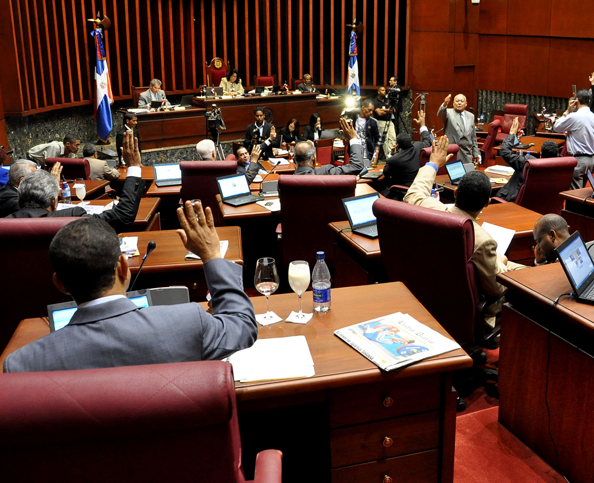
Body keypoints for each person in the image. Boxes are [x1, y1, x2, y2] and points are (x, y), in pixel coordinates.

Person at [3, 200, 258, 372]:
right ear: (124, 267)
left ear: (60, 284)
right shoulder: (188, 322)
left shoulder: (22, 365)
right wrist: (212, 255)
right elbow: (242, 326)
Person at [404, 136, 523, 300]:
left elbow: (415, 192)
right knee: (526, 272)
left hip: (427, 290)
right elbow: (496, 289)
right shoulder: (483, 241)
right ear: (487, 203)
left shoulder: (428, 209)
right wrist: (500, 263)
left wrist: (433, 163)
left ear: (455, 193)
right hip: (468, 302)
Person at [8, 132, 144, 233]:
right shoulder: (69, 218)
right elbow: (122, 216)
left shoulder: (5, 223)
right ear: (54, 202)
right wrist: (134, 166)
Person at [496, 118, 560, 202]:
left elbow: (505, 152)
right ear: (557, 156)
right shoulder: (561, 171)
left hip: (511, 203)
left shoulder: (529, 163)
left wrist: (512, 134)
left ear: (541, 154)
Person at [374, 108, 432, 198]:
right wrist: (422, 125)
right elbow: (427, 140)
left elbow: (386, 172)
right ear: (411, 142)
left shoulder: (394, 159)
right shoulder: (419, 147)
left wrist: (391, 154)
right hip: (420, 188)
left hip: (402, 192)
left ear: (398, 145)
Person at [553, 90, 594, 189]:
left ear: (576, 101)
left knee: (574, 194)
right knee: (582, 192)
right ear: (589, 101)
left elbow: (556, 127)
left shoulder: (574, 116)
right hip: (590, 161)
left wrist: (567, 111)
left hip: (578, 160)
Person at [293, 118, 364, 175]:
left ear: (294, 160)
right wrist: (353, 138)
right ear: (314, 159)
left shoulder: (287, 181)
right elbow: (356, 166)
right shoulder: (325, 173)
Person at [437, 93, 479, 165]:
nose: (459, 103)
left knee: (468, 171)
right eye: (457, 101)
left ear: (466, 104)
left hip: (467, 154)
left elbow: (473, 137)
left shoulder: (471, 116)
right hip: (453, 153)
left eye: (462, 101)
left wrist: (475, 153)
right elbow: (440, 114)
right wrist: (445, 104)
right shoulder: (448, 112)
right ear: (453, 103)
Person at [353, 100, 382, 165]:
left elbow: (378, 139)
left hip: (367, 156)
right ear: (363, 107)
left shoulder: (373, 122)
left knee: (367, 170)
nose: (371, 112)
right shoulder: (353, 120)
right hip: (354, 156)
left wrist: (375, 155)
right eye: (369, 110)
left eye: (372, 111)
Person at [374, 86, 397, 158]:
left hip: (389, 121)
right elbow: (379, 113)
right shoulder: (375, 101)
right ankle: (388, 156)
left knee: (393, 137)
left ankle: (393, 154)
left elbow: (394, 110)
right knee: (385, 139)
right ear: (378, 92)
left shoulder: (388, 100)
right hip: (381, 122)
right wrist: (387, 110)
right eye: (382, 90)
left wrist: (383, 110)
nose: (384, 92)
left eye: (385, 90)